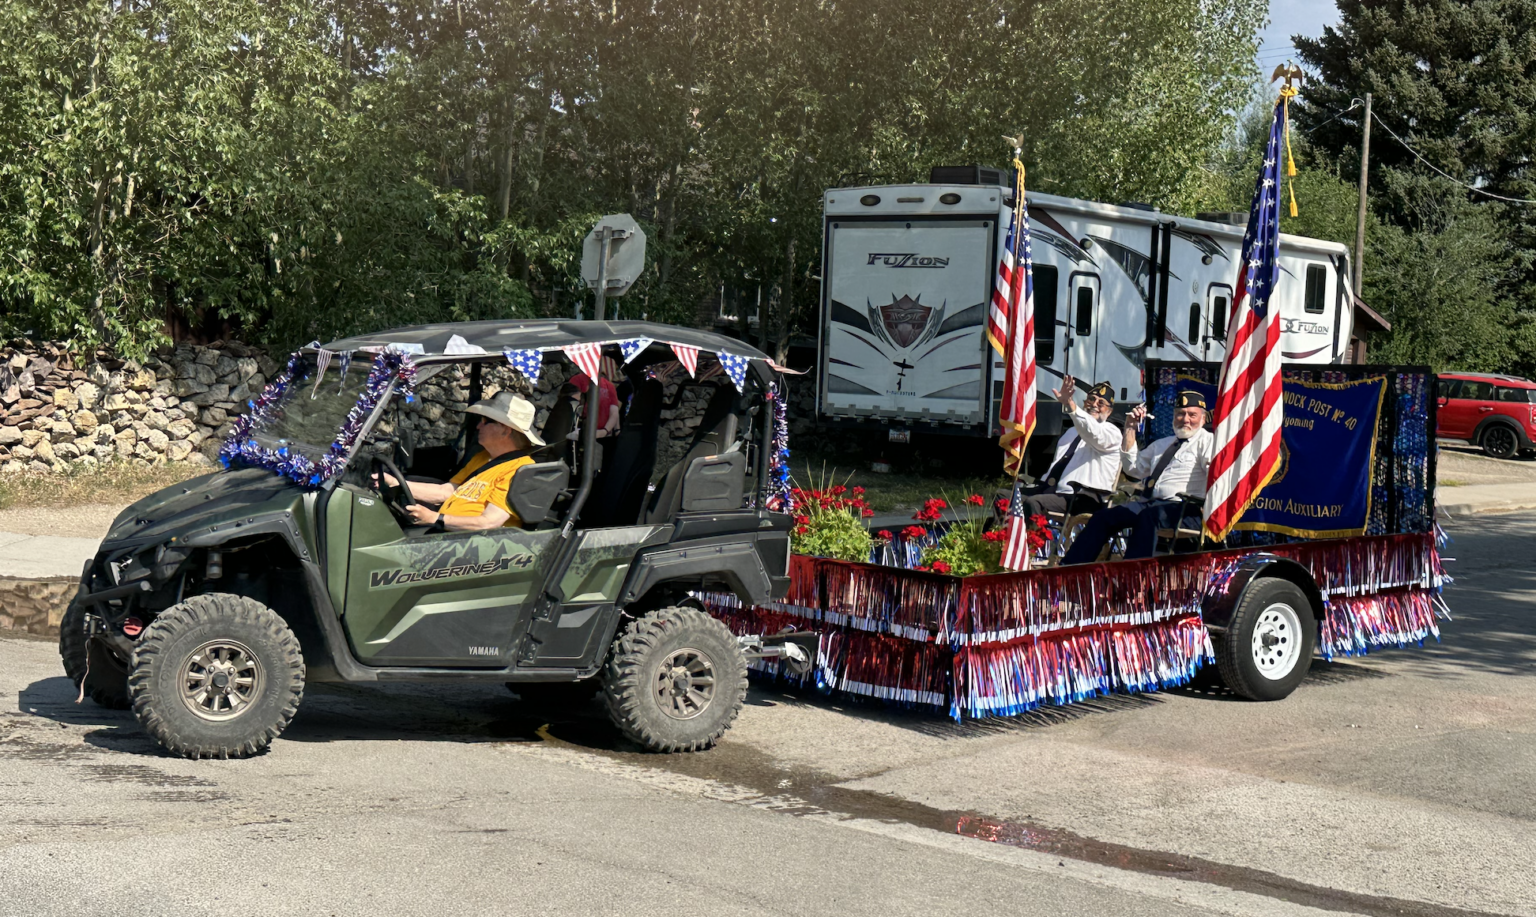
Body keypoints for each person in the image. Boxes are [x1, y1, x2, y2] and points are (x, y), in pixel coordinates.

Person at [1061, 390, 1215, 564]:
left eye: (1192, 415)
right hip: (1150, 503)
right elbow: (1133, 469)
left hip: (1185, 508)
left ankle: (1133, 573)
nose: (1185, 419)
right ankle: (1069, 568)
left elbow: (1214, 476)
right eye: (1180, 413)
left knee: (1148, 516)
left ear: (1203, 418)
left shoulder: (1207, 442)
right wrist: (1130, 428)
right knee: (1103, 517)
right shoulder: (1162, 444)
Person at [398, 391, 546, 532]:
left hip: (472, 542)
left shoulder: (520, 470)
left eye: (485, 421)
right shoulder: (482, 458)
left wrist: (435, 518)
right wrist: (396, 483)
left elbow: (489, 523)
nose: (478, 426)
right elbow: (447, 491)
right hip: (447, 532)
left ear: (505, 431)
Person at [1019, 377, 1121, 519]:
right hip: (1055, 492)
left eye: (1101, 403)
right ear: (1085, 402)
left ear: (1109, 411)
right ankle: (1004, 532)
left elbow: (1092, 432)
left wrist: (1070, 405)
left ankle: (1035, 534)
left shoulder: (1112, 433)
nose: (1094, 404)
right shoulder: (1071, 432)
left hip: (1084, 497)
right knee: (1006, 497)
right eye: (1091, 399)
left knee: (1034, 502)